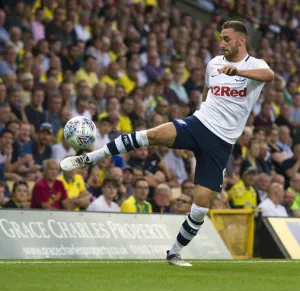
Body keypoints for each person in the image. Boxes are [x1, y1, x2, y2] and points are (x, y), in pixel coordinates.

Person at [60, 21, 274, 266]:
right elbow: (208, 89)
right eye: (221, 38)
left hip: (221, 144)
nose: (222, 43)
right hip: (199, 124)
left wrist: (239, 72)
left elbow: (269, 76)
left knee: (201, 207)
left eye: (227, 39)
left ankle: (174, 253)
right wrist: (200, 111)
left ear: (241, 40)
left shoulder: (255, 66)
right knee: (150, 135)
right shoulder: (213, 64)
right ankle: (89, 158)